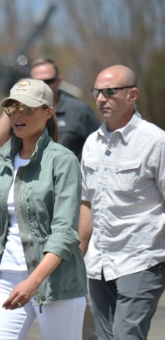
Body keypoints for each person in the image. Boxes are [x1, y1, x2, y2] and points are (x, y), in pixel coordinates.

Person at [0, 79, 87, 339]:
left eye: (27, 108)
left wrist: (33, 281)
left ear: (48, 112)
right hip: (6, 277)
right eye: (12, 107)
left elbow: (64, 232)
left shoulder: (63, 160)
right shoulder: (1, 161)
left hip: (56, 281)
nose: (18, 114)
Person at [79, 65, 165, 340]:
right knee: (106, 337)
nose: (102, 98)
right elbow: (87, 204)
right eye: (97, 92)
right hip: (99, 263)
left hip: (141, 259)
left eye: (110, 91)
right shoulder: (91, 143)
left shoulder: (155, 142)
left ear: (132, 95)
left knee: (127, 335)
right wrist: (76, 255)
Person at [0, 58, 99, 161]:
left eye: (48, 81)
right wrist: (16, 99)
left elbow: (100, 147)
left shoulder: (79, 111)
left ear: (58, 80)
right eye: (37, 82)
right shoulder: (22, 112)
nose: (43, 86)